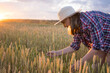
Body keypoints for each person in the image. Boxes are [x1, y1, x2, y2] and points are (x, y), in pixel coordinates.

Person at [46, 6, 110, 71]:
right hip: (104, 37)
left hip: (108, 31)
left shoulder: (89, 22)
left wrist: (80, 62)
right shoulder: (77, 25)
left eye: (63, 22)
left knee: (106, 61)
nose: (64, 26)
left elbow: (96, 47)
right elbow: (75, 46)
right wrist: (57, 53)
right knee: (98, 63)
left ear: (70, 18)